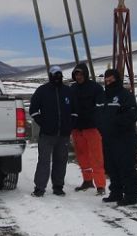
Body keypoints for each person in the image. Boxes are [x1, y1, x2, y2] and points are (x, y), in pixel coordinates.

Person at [96, 68, 137, 206]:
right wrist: (101, 125)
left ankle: (131, 195)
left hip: (124, 138)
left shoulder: (125, 95)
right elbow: (97, 113)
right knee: (111, 167)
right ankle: (116, 192)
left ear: (117, 80)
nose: (108, 83)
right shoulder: (102, 96)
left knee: (126, 167)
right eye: (106, 80)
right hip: (108, 139)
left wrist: (115, 123)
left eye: (111, 80)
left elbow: (132, 114)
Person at [29, 65, 74, 197]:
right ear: (50, 76)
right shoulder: (42, 91)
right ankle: (39, 188)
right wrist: (43, 122)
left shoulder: (68, 91)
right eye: (55, 75)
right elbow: (33, 110)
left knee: (61, 161)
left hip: (63, 134)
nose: (57, 77)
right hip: (47, 135)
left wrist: (70, 125)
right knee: (44, 161)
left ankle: (58, 186)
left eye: (59, 75)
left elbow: (75, 111)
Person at [69, 63, 107, 195]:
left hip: (92, 128)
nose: (78, 76)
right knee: (82, 156)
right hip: (77, 128)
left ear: (85, 74)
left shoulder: (95, 88)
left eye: (80, 74)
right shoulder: (72, 88)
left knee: (96, 157)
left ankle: (100, 185)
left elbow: (101, 107)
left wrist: (97, 121)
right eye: (76, 74)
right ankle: (87, 180)